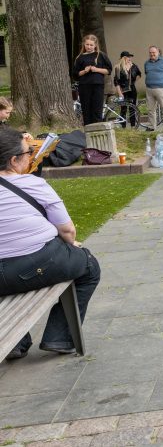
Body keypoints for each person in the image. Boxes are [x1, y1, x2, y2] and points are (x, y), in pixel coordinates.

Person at [0, 128, 101, 360]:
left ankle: (16, 342)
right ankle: (60, 336)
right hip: (36, 264)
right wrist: (70, 244)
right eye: (29, 152)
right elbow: (67, 230)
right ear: (14, 160)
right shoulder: (33, 184)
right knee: (88, 266)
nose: (32, 156)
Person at [72, 34, 113, 126]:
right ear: (84, 44)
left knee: (97, 109)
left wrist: (96, 69)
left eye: (91, 45)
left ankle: (98, 130)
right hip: (84, 86)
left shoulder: (101, 55)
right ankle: (88, 131)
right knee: (86, 110)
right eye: (87, 44)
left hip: (97, 85)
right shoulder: (80, 57)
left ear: (95, 45)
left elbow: (109, 70)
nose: (89, 47)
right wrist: (84, 71)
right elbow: (75, 74)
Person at [143, 45, 163, 130]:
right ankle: (152, 126)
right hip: (149, 89)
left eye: (154, 52)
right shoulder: (146, 63)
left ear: (158, 52)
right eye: (150, 53)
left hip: (162, 89)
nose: (152, 54)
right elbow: (147, 73)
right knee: (150, 110)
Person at [113, 51, 141, 128]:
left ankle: (133, 126)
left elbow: (139, 74)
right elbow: (116, 81)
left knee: (132, 108)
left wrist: (132, 82)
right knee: (123, 109)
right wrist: (119, 93)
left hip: (132, 90)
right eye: (127, 57)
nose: (129, 58)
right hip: (123, 90)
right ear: (123, 58)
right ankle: (123, 127)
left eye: (130, 57)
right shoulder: (118, 67)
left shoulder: (134, 66)